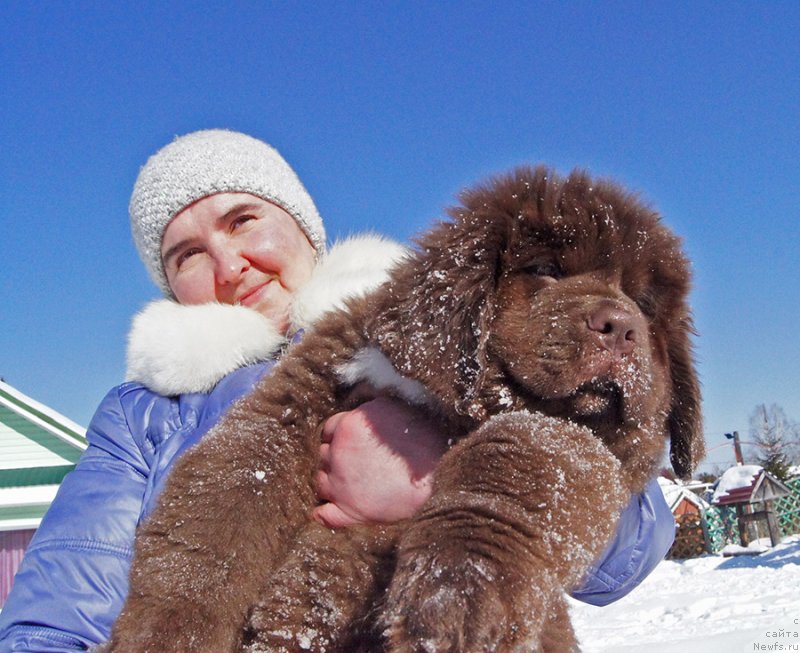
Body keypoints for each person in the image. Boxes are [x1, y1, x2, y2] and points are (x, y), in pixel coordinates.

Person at [0, 129, 676, 652]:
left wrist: (432, 472)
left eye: (242, 221)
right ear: (169, 282)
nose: (229, 265)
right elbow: (59, 604)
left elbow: (631, 546)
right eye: (188, 254)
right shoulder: (143, 413)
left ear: (302, 226)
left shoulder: (443, 320)